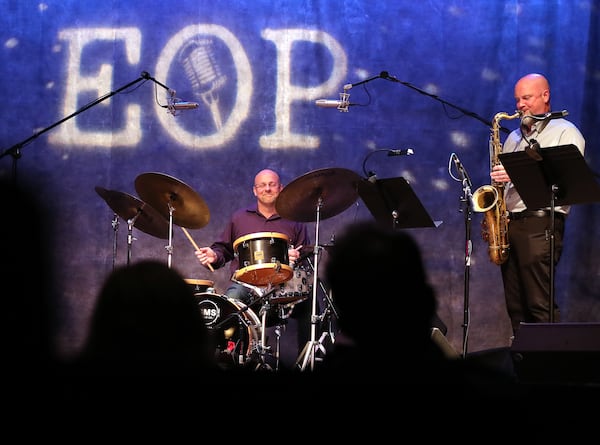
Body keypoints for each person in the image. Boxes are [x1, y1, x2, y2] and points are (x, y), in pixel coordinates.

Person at [490, 73, 585, 336]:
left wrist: (516, 173)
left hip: (541, 223)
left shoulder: (565, 131)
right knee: (516, 305)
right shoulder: (513, 139)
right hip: (512, 224)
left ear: (545, 96)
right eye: (518, 99)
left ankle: (550, 367)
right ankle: (524, 366)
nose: (520, 105)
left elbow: (565, 180)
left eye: (527, 97)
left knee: (538, 303)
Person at [195, 168, 311, 370]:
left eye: (272, 184)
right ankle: (231, 362)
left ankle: (306, 364)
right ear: (254, 191)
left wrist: (297, 256)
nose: (267, 188)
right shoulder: (239, 218)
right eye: (262, 185)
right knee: (228, 306)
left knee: (311, 308)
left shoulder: (295, 219)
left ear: (281, 188)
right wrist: (214, 256)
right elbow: (223, 249)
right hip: (247, 286)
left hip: (284, 287)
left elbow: (308, 253)